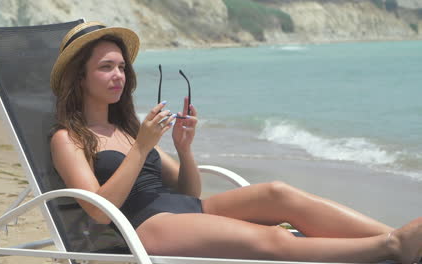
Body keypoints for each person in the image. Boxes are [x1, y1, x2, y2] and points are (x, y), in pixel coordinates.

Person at [49, 21, 422, 263]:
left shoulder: (129, 128)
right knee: (270, 241)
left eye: (121, 67)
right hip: (147, 226)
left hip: (186, 209)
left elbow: (188, 190)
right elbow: (98, 211)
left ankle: (396, 238)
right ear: (80, 78)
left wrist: (183, 148)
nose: (119, 76)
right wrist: (143, 148)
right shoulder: (69, 139)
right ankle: (391, 246)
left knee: (278, 193)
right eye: (105, 68)